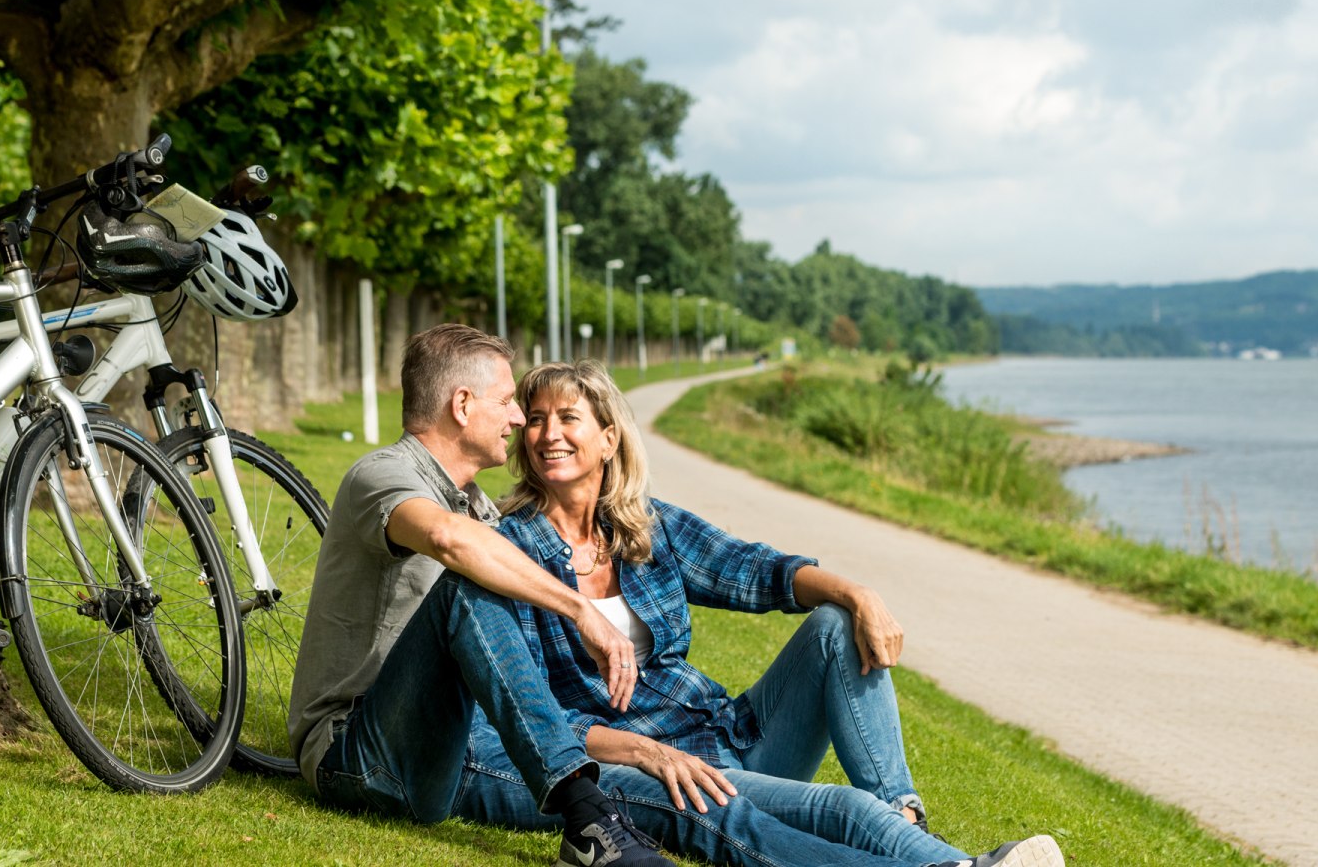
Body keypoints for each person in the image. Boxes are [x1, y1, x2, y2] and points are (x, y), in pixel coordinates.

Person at [452, 359, 1067, 867]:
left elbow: (755, 570)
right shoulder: (513, 551)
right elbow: (532, 712)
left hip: (733, 735)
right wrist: (640, 752)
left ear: (609, 438)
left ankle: (908, 820)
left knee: (834, 625)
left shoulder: (646, 527)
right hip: (665, 768)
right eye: (536, 420)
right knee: (842, 811)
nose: (548, 434)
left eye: (568, 418)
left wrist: (858, 594)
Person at [289, 325, 674, 867]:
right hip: (354, 752)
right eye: (507, 401)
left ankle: (606, 811)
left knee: (669, 799)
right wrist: (580, 608)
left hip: (446, 749)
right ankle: (585, 817)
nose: (517, 418)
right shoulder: (380, 474)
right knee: (465, 587)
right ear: (463, 405)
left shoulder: (478, 509)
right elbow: (447, 539)